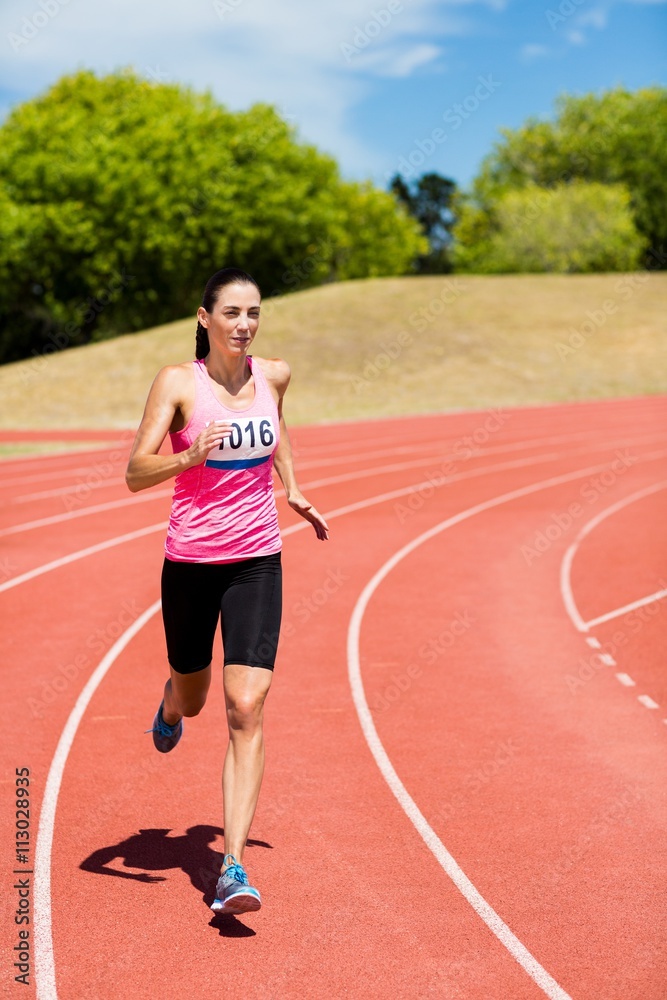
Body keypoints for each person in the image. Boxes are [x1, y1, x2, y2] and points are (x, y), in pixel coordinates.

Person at [125, 266, 329, 916]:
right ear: (204, 317)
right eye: (233, 313)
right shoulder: (180, 383)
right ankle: (169, 702)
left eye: (254, 313)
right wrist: (186, 458)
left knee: (246, 706)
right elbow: (134, 471)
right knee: (194, 693)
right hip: (190, 563)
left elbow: (281, 428)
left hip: (255, 562)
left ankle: (231, 867)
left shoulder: (273, 375)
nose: (245, 324)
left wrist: (292, 484)